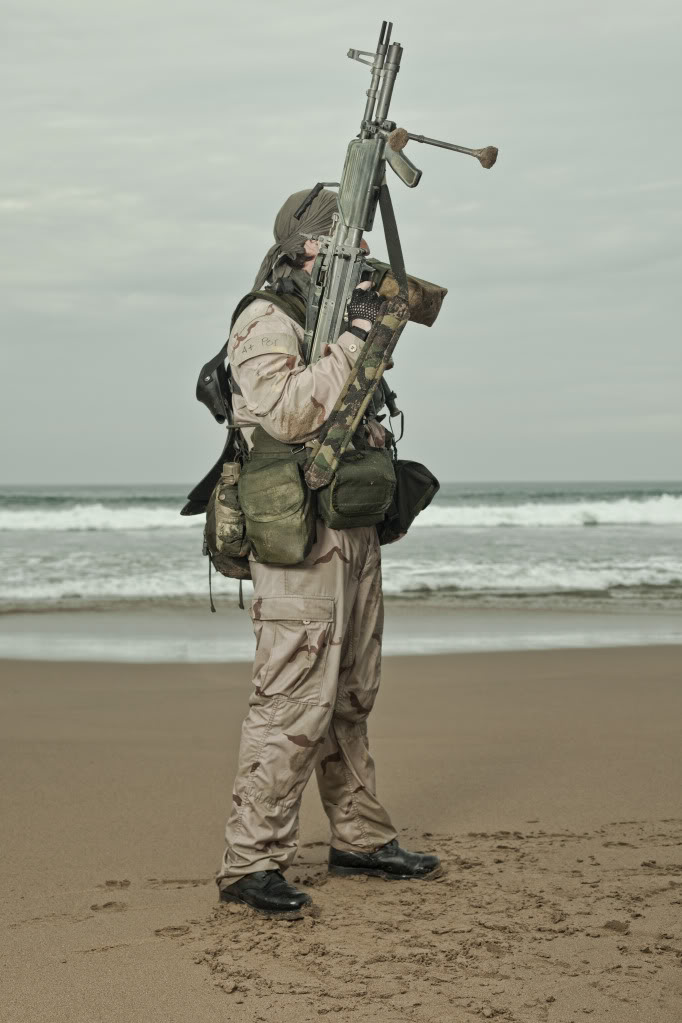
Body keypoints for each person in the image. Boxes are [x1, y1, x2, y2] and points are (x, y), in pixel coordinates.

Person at [216, 188, 440, 916]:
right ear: (312, 248)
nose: (366, 251)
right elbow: (284, 411)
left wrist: (367, 333)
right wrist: (353, 338)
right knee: (291, 698)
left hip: (350, 526)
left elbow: (345, 411)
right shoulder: (266, 319)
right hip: (298, 536)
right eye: (348, 241)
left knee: (350, 692)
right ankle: (251, 861)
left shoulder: (328, 317)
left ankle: (360, 836)